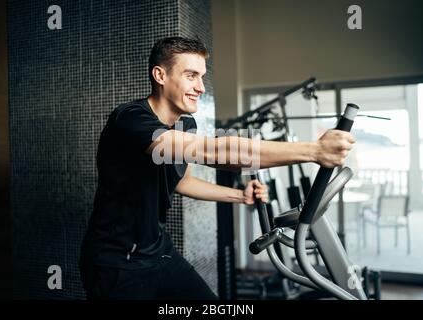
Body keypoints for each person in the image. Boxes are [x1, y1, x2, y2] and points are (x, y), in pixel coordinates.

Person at [79, 36, 355, 300]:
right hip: (117, 263)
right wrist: (313, 151)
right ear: (160, 76)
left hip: (158, 252)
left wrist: (239, 196)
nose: (200, 87)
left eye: (201, 76)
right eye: (191, 75)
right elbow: (212, 151)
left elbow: (182, 182)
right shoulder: (130, 120)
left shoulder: (185, 124)